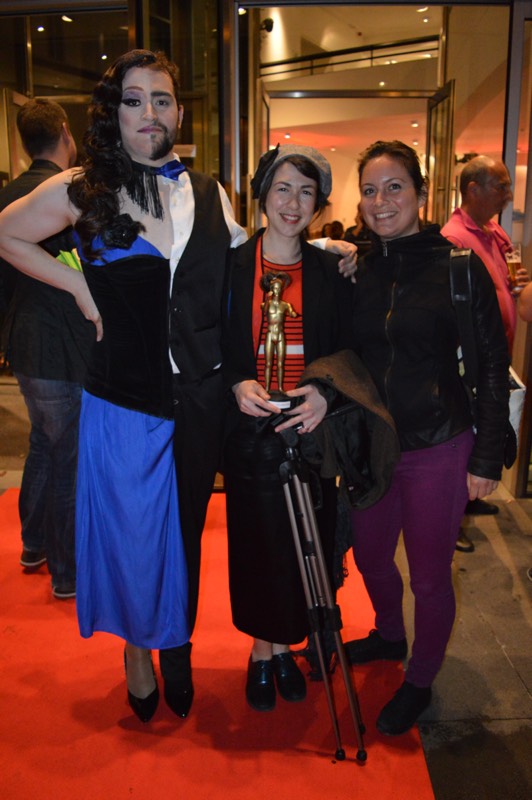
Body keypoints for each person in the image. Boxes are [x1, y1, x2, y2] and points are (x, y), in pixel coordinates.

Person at [0, 52, 358, 724]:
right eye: (134, 100)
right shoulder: (84, 187)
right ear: (113, 112)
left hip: (198, 398)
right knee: (133, 537)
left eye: (161, 100)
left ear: (178, 112)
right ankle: (138, 651)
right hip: (121, 398)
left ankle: (177, 644)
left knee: (186, 531)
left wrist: (326, 251)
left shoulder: (206, 190)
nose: (149, 113)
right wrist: (77, 286)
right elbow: (7, 234)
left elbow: (252, 254)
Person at [345, 140, 509, 736]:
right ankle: (390, 634)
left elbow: (492, 365)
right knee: (369, 555)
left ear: (420, 193)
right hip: (373, 444)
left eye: (394, 187)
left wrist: (487, 455)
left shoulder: (457, 267)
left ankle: (419, 678)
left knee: (430, 575)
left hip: (439, 443)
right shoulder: (358, 269)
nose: (381, 201)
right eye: (370, 190)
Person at [222, 144, 353, 712]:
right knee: (258, 544)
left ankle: (287, 646)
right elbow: (209, 339)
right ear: (262, 195)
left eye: (306, 192)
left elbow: (349, 348)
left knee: (307, 542)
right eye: (283, 189)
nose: (293, 203)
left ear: (318, 205)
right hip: (251, 427)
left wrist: (326, 392)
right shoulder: (231, 266)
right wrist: (235, 382)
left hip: (311, 427)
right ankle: (263, 650)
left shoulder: (331, 271)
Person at [0, 98, 94, 599]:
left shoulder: (8, 195)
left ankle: (34, 544)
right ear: (64, 131)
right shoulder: (70, 195)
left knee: (44, 442)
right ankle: (67, 571)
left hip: (24, 343)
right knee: (67, 456)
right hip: (62, 347)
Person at [441, 156, 530, 549]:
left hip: (495, 352)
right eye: (501, 186)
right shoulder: (455, 237)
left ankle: (470, 500)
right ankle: (452, 520)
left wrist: (517, 284)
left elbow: (503, 284)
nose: (508, 194)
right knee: (465, 434)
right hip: (471, 361)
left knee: (482, 432)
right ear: (473, 190)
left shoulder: (494, 232)